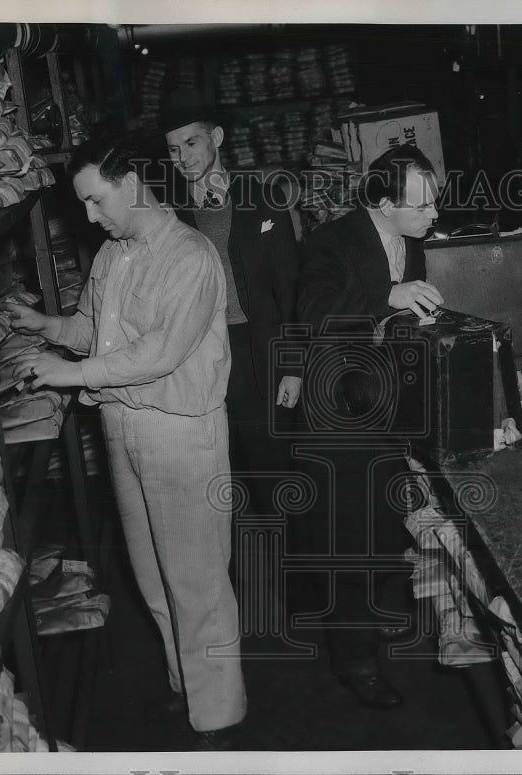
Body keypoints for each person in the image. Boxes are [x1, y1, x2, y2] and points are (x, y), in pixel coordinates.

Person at [4, 133, 245, 750]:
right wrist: (49, 327)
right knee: (151, 578)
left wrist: (72, 373)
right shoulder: (116, 253)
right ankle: (184, 684)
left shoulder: (190, 256)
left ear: (133, 185)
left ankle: (219, 717)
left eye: (96, 201)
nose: (90, 217)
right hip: (124, 428)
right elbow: (94, 329)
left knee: (197, 582)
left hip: (179, 433)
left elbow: (159, 353)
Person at [295, 144, 444, 709]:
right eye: (423, 204)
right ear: (383, 203)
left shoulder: (412, 241)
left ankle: (373, 618)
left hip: (385, 409)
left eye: (435, 202)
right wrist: (389, 296)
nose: (434, 214)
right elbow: (313, 310)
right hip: (338, 416)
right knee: (346, 540)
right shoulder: (331, 241)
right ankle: (354, 661)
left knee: (384, 523)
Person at [160, 89, 303, 575]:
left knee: (270, 468)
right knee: (210, 469)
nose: (182, 158)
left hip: (255, 352)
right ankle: (228, 578)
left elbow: (290, 290)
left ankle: (295, 577)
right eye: (173, 150)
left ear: (217, 139)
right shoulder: (166, 214)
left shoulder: (262, 199)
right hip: (197, 353)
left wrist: (292, 368)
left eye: (192, 145)